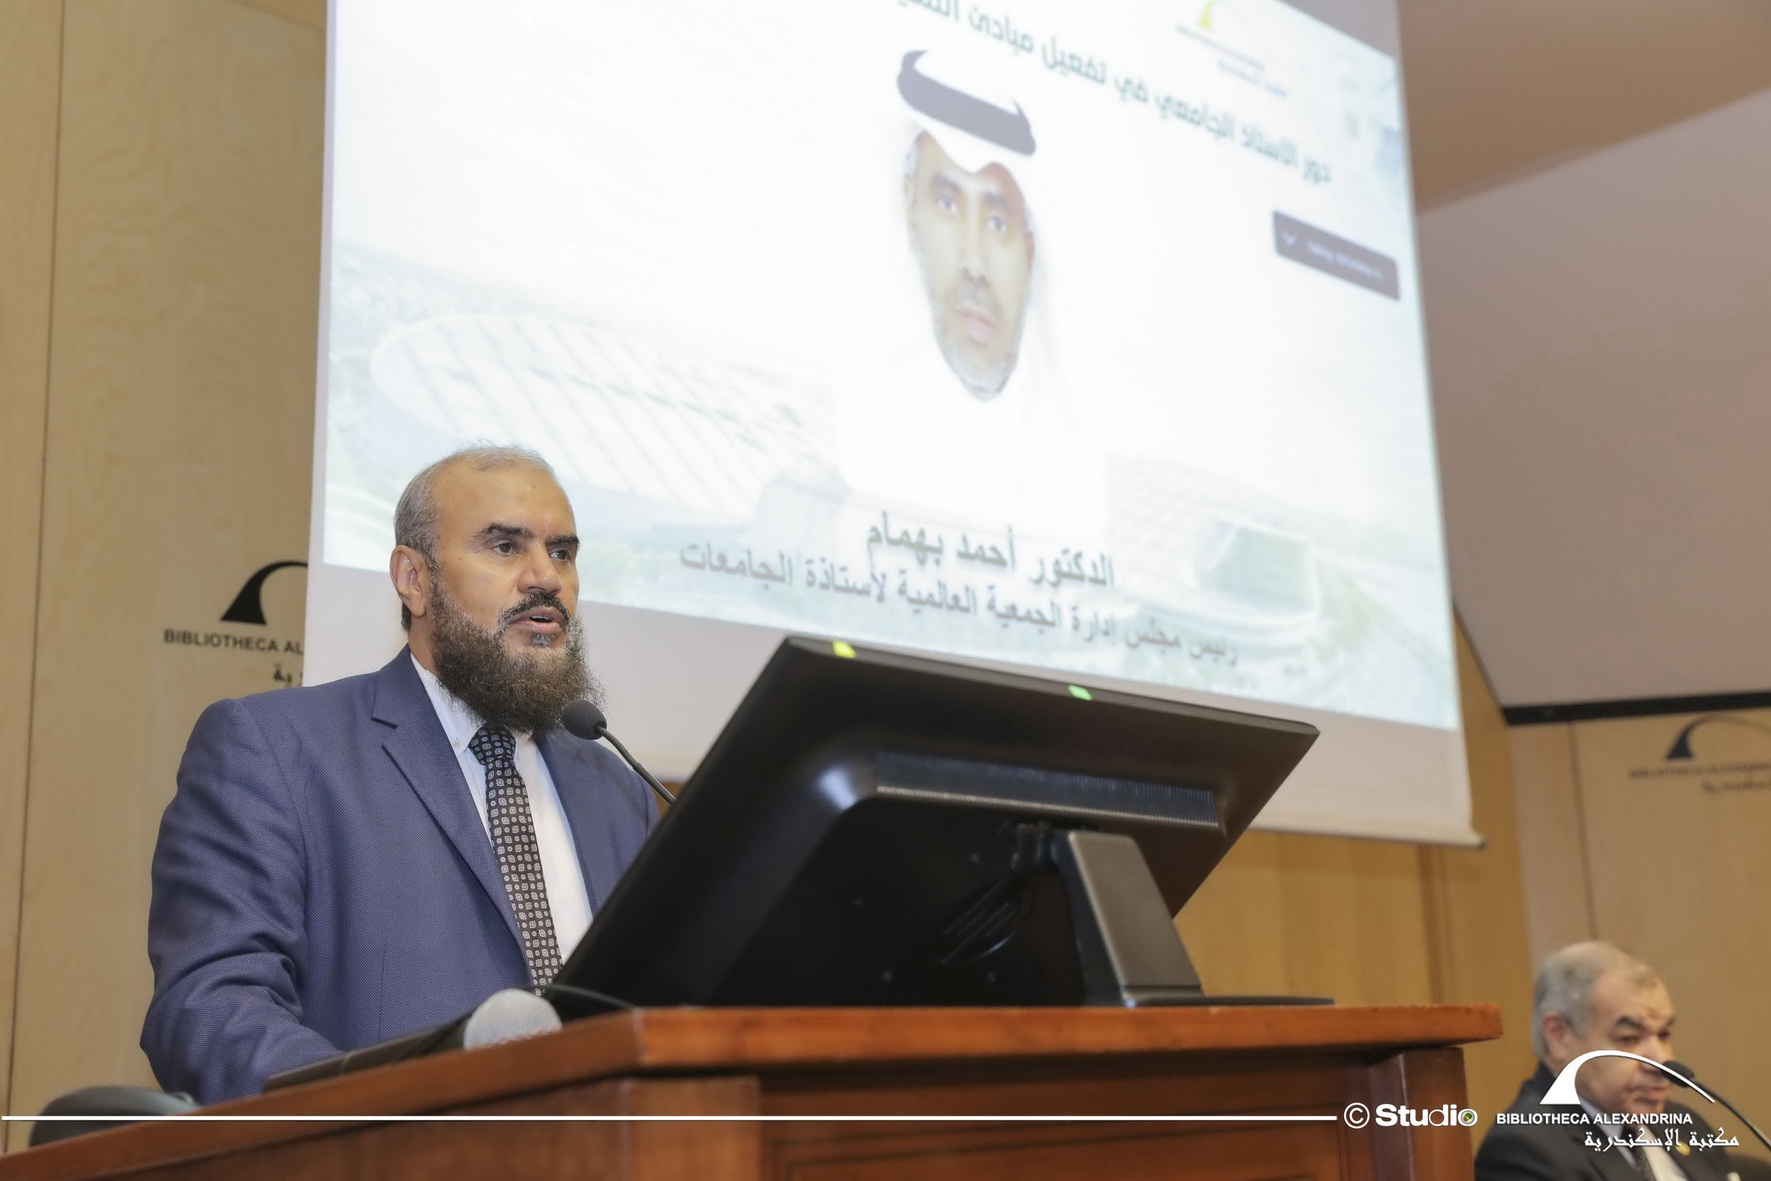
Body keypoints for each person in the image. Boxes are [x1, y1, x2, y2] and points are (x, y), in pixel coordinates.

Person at [142, 445, 656, 1104]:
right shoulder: (276, 749)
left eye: (562, 553)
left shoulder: (617, 789)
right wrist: (384, 1119)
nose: (545, 578)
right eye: (505, 547)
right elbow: (209, 1009)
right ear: (413, 578)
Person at [1476, 942, 1737, 1181]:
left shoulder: (1684, 1124)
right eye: (1629, 1038)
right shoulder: (1523, 1149)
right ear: (1559, 1036)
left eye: (1664, 1035)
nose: (1662, 1062)